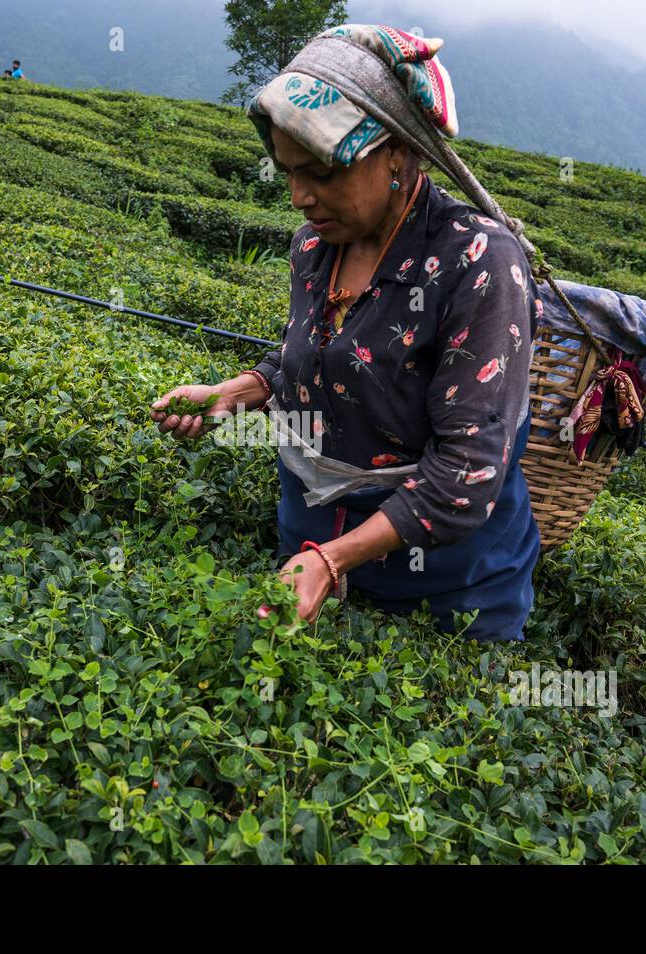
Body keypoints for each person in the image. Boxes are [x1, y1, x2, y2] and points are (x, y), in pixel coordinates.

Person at [151, 23, 543, 643]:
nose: (301, 196)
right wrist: (237, 391)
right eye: (288, 171)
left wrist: (336, 559)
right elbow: (318, 358)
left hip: (443, 593)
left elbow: (467, 471)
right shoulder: (314, 244)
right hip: (309, 549)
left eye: (324, 173)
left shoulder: (478, 262)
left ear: (396, 152)